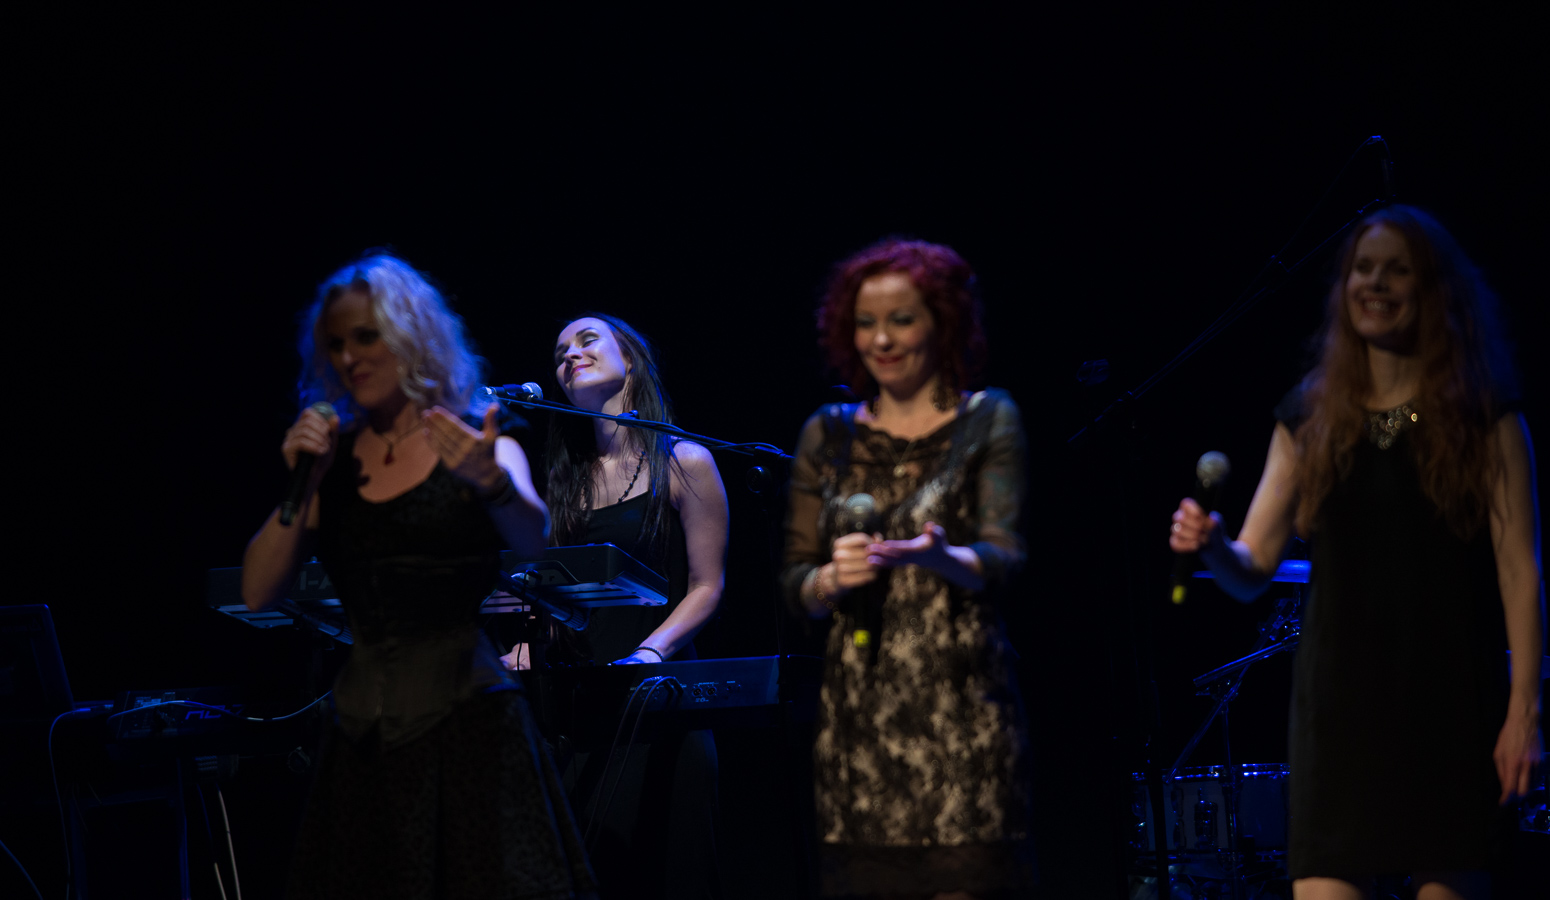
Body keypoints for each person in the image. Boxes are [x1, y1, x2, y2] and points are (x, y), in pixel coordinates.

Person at [1168, 206, 1543, 900]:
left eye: (1397, 270)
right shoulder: (1309, 414)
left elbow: (1520, 568)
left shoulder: (1483, 413)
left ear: (1433, 289)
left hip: (1450, 700)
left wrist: (1524, 711)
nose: (1375, 283)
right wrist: (1215, 546)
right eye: (1363, 269)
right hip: (1339, 710)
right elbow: (1252, 568)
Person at [241, 253, 596, 899]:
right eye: (335, 344)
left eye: (365, 336)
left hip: (471, 728)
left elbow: (534, 541)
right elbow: (257, 591)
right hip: (363, 741)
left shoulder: (476, 439)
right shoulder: (333, 465)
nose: (349, 357)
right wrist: (303, 482)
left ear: (410, 335)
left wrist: (492, 484)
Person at [782, 239, 1033, 898]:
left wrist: (942, 556)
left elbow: (1004, 556)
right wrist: (830, 580)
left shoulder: (987, 418)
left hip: (962, 714)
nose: (882, 340)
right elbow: (794, 582)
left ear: (941, 323)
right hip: (859, 722)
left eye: (901, 320)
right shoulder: (826, 434)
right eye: (866, 323)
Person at [502, 314, 729, 900]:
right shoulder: (563, 483)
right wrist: (530, 642)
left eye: (586, 341)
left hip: (662, 699)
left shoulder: (684, 461)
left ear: (629, 359)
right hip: (581, 710)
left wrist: (649, 653)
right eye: (560, 351)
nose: (569, 356)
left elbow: (707, 586)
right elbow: (554, 591)